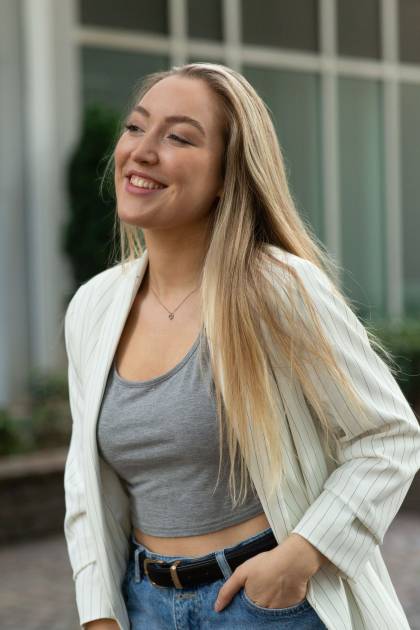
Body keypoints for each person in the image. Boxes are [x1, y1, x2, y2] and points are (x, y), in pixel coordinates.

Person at [63, 62, 420, 630]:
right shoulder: (93, 306)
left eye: (179, 137)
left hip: (264, 604)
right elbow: (84, 485)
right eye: (136, 127)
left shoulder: (278, 288)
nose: (143, 151)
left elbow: (388, 436)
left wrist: (299, 558)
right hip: (143, 604)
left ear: (227, 174)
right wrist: (98, 615)